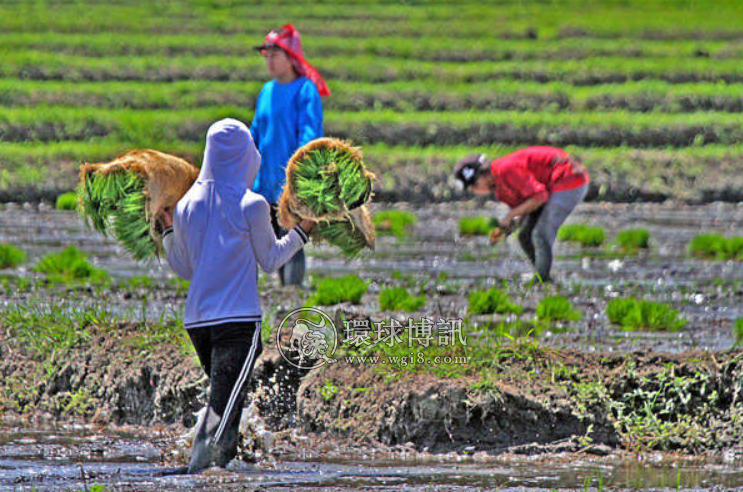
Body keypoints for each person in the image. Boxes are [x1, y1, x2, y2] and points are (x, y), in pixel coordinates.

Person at [158, 118, 314, 473]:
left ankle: (223, 464)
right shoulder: (252, 204)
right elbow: (272, 259)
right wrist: (302, 231)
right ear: (247, 157)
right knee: (223, 405)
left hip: (198, 323)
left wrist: (168, 230)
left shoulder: (185, 206)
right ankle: (195, 470)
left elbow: (184, 269)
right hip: (238, 323)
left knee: (228, 400)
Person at [250, 24, 329, 286]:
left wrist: (299, 178)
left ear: (290, 57)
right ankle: (274, 292)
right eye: (267, 56)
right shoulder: (266, 91)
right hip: (265, 182)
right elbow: (255, 134)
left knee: (292, 239)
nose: (269, 61)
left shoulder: (305, 91)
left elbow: (309, 137)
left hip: (290, 184)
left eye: (275, 55)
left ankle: (291, 294)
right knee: (266, 240)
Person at [453, 146, 590, 283]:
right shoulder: (500, 190)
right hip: (549, 186)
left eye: (473, 186)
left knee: (540, 234)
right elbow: (526, 208)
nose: (474, 191)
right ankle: (541, 273)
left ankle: (542, 280)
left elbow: (540, 197)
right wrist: (505, 229)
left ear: (482, 176)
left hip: (569, 177)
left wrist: (510, 216)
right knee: (524, 235)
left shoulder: (506, 170)